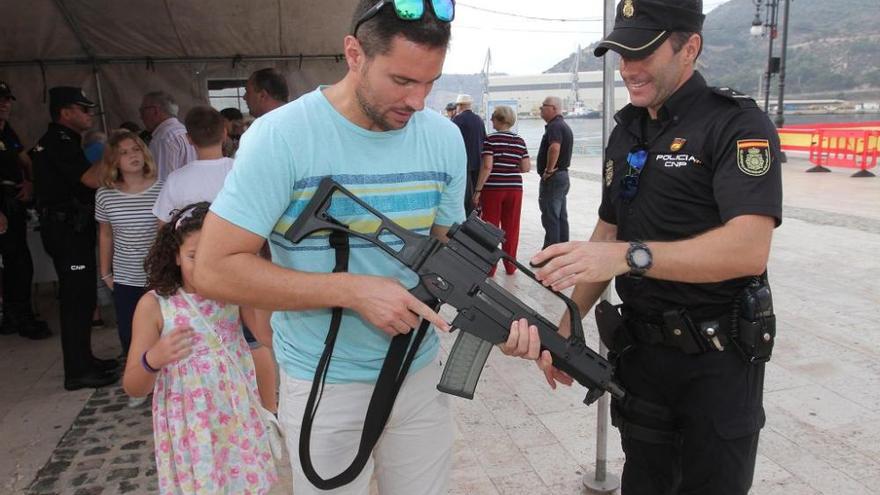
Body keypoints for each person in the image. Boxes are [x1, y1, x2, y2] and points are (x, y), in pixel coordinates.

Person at [504, 1, 782, 494]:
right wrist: (565, 334)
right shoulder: (627, 129)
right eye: (620, 53)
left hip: (716, 366)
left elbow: (748, 249)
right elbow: (606, 234)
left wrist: (630, 257)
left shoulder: (736, 124)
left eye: (642, 52)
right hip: (643, 363)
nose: (628, 67)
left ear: (689, 47)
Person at [193, 0, 464, 493]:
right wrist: (352, 290)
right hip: (324, 382)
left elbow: (449, 249)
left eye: (431, 82)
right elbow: (214, 269)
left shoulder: (444, 139)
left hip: (418, 371)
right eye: (402, 81)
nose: (419, 101)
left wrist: (504, 317)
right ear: (354, 53)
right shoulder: (281, 137)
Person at [123, 202, 277, 494]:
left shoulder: (233, 294)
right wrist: (153, 359)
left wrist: (260, 281)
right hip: (192, 433)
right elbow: (133, 386)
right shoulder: (155, 306)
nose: (205, 266)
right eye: (194, 256)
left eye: (214, 256)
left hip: (237, 420)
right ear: (176, 256)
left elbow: (266, 338)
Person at [152, 105, 278, 413]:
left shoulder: (176, 180)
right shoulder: (239, 170)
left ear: (189, 140)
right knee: (254, 338)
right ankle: (268, 405)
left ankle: (214, 400)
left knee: (211, 333)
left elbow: (162, 228)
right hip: (243, 263)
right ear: (224, 132)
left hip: (197, 271)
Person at [30, 86, 119, 390]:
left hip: (71, 229)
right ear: (66, 112)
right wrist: (114, 150)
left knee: (82, 298)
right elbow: (89, 179)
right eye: (84, 109)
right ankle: (78, 371)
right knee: (76, 300)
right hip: (66, 231)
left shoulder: (63, 140)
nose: (89, 114)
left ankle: (85, 360)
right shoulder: (59, 140)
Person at [95, 130, 162, 370]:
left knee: (165, 327)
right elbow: (105, 234)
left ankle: (167, 378)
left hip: (160, 274)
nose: (132, 155)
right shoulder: (105, 195)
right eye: (124, 153)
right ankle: (138, 375)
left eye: (135, 149)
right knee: (129, 331)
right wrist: (105, 273)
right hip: (126, 275)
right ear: (114, 161)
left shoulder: (162, 188)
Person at [0, 80, 50, 339]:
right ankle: (15, 316)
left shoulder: (7, 131)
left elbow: (24, 159)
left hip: (12, 200)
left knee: (18, 263)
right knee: (14, 263)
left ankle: (15, 315)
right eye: (1, 100)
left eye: (7, 99)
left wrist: (30, 182)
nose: (5, 104)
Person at [472, 104, 530, 276]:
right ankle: (511, 267)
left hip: (493, 190)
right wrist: (510, 168)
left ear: (499, 120)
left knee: (490, 228)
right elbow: (526, 167)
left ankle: (490, 269)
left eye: (493, 117)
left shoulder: (490, 140)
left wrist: (477, 190)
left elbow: (487, 166)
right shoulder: (519, 140)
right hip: (514, 189)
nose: (491, 121)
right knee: (512, 227)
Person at [536, 95, 573, 248]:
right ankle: (563, 249)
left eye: (543, 106)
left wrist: (549, 170)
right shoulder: (562, 125)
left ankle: (550, 253)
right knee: (560, 216)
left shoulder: (555, 126)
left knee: (551, 216)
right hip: (562, 177)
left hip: (555, 177)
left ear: (553, 108)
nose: (540, 109)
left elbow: (555, 147)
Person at [139, 91, 196, 180]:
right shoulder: (185, 130)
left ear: (155, 111)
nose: (140, 117)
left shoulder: (163, 138)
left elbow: (162, 180)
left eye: (142, 111)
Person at [452, 93, 486, 215]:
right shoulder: (479, 120)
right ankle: (476, 215)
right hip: (478, 161)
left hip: (463, 163)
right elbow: (484, 139)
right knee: (476, 193)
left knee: (464, 194)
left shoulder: (457, 119)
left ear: (460, 106)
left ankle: (466, 217)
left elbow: (452, 140)